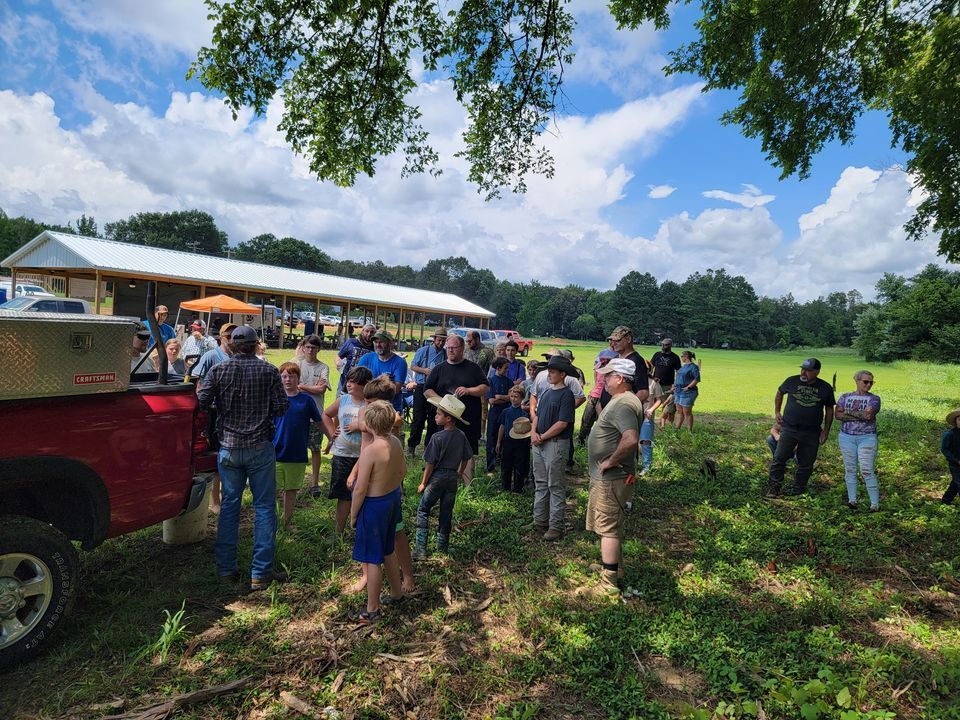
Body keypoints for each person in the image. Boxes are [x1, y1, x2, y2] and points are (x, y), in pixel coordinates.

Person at [198, 325, 289, 592]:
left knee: (229, 507)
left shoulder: (219, 370)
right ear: (255, 344)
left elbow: (201, 402)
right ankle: (260, 572)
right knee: (264, 508)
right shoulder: (269, 370)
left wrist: (221, 407)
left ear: (232, 344)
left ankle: (226, 569)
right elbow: (281, 407)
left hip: (228, 446)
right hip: (260, 446)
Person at [585, 358, 644, 594]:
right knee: (611, 523)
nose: (604, 379)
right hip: (611, 478)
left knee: (608, 527)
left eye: (608, 376)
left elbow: (630, 439)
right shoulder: (622, 400)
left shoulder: (624, 404)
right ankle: (613, 568)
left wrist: (611, 461)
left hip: (613, 477)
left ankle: (608, 583)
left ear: (620, 378)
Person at [349, 400, 406, 624]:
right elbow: (402, 471)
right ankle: (396, 592)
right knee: (388, 549)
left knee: (372, 558)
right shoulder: (396, 442)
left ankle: (371, 610)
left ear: (370, 425)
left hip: (373, 507)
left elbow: (360, 489)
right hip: (392, 500)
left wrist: (354, 514)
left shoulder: (370, 451)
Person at [414, 394, 474, 559]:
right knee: (446, 512)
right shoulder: (461, 435)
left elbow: (430, 463)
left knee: (423, 509)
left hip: (437, 477)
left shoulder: (437, 437)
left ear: (448, 419)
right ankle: (442, 548)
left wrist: (423, 482)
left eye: (439, 414)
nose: (435, 416)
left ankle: (420, 549)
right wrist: (460, 472)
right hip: (452, 478)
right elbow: (467, 457)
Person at [423, 334, 489, 484]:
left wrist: (469, 390)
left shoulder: (473, 368)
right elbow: (427, 390)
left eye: (454, 348)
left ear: (462, 348)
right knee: (442, 449)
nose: (451, 350)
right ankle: (438, 483)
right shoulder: (439, 368)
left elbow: (485, 387)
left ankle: (467, 485)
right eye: (449, 348)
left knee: (467, 451)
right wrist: (443, 402)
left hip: (468, 417)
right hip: (444, 419)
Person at [766, 358, 835, 497]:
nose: (803, 372)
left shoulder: (825, 387)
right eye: (802, 369)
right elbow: (780, 392)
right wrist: (777, 411)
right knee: (779, 458)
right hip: (789, 428)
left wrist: (826, 431)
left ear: (817, 372)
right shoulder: (792, 381)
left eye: (808, 370)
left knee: (806, 463)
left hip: (812, 431)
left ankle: (799, 489)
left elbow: (829, 410)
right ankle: (774, 486)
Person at [529, 355, 576, 540]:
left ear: (562, 374)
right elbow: (538, 415)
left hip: (555, 444)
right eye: (548, 371)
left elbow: (562, 423)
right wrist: (533, 432)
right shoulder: (547, 392)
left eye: (553, 372)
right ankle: (539, 520)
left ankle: (555, 526)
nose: (549, 374)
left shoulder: (567, 395)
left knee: (555, 485)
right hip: (539, 442)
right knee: (540, 483)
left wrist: (542, 436)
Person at [321, 366, 372, 533]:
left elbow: (382, 425)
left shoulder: (371, 404)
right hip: (342, 454)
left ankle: (361, 529)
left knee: (365, 492)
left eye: (354, 382)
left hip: (364, 455)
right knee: (343, 494)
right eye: (348, 381)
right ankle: (339, 531)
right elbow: (326, 415)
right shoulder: (343, 400)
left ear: (365, 385)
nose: (348, 384)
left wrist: (359, 425)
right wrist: (332, 434)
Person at [274, 362, 322, 527]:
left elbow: (319, 421)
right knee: (272, 490)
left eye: (292, 376)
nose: (288, 380)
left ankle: (287, 522)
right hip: (275, 453)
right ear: (280, 379)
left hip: (297, 453)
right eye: (284, 377)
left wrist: (332, 438)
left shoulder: (306, 400)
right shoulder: (275, 399)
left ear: (298, 379)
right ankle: (272, 522)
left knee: (291, 490)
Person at [835, 370, 881, 511]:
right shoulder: (845, 397)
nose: (869, 385)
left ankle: (874, 504)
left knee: (866, 469)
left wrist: (847, 412)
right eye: (865, 382)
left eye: (871, 382)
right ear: (857, 381)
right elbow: (838, 415)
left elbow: (868, 416)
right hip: (846, 437)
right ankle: (852, 500)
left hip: (867, 437)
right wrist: (860, 414)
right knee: (850, 469)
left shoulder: (874, 399)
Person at [295, 334, 330, 498]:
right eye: (308, 347)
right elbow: (289, 384)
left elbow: (321, 389)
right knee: (298, 449)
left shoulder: (323, 367)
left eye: (314, 347)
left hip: (315, 415)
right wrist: (311, 387)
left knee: (315, 449)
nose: (310, 350)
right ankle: (296, 481)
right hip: (297, 414)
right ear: (303, 348)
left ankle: (314, 483)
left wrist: (301, 386)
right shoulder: (296, 364)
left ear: (319, 349)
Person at [407, 328, 447, 455]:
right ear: (434, 339)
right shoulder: (423, 351)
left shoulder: (445, 354)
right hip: (421, 387)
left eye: (443, 341)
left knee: (434, 419)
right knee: (418, 418)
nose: (441, 343)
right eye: (439, 340)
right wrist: (425, 371)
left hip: (436, 389)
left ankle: (428, 447)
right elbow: (413, 366)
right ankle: (412, 446)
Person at [357, 330, 408, 412]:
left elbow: (395, 389)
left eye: (381, 342)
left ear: (390, 343)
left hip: (390, 408)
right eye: (375, 342)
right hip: (367, 406)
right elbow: (358, 382)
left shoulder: (400, 363)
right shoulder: (366, 358)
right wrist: (383, 382)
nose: (378, 345)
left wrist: (370, 386)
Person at [578, 343, 618, 445]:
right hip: (595, 395)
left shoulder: (613, 372)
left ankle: (602, 442)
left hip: (607, 397)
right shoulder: (599, 366)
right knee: (586, 419)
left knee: (603, 420)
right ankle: (582, 440)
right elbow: (596, 378)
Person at [600, 326, 650, 408]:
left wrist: (623, 408)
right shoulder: (616, 358)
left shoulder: (636, 361)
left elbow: (643, 392)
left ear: (628, 339)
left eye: (617, 340)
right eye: (612, 340)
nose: (613, 343)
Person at [496, 387, 531, 493]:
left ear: (521, 398)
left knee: (519, 465)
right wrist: (498, 442)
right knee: (506, 464)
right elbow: (502, 426)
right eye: (511, 396)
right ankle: (505, 487)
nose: (513, 399)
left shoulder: (524, 414)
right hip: (508, 440)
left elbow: (527, 430)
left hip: (521, 442)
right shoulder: (505, 412)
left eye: (516, 397)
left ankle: (518, 488)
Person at [485, 357, 512, 474]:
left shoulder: (509, 381)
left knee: (505, 438)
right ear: (498, 368)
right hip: (495, 413)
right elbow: (492, 400)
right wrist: (506, 398)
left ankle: (503, 463)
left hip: (506, 413)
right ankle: (490, 466)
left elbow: (512, 398)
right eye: (505, 368)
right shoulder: (490, 381)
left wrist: (500, 397)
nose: (507, 370)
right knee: (492, 438)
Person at [337, 323, 376, 395]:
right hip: (346, 380)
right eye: (367, 331)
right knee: (341, 400)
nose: (369, 334)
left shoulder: (375, 348)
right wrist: (338, 364)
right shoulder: (351, 342)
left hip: (364, 383)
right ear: (362, 331)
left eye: (372, 332)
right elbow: (339, 356)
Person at [640, 372, 666, 473]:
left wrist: (651, 410)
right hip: (633, 416)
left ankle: (646, 466)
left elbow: (659, 400)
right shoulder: (632, 381)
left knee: (645, 441)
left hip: (647, 417)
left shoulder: (654, 383)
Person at [672, 351, 700, 431]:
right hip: (678, 391)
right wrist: (674, 386)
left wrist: (688, 387)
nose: (681, 358)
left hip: (688, 392)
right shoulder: (683, 366)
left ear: (686, 356)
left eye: (682, 356)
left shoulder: (693, 367)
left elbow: (696, 379)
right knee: (679, 411)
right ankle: (677, 428)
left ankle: (689, 430)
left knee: (687, 412)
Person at [940, 409, 960, 504]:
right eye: (959, 420)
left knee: (955, 483)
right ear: (955, 421)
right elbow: (944, 449)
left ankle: (946, 501)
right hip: (954, 463)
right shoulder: (950, 434)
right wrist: (956, 460)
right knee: (958, 482)